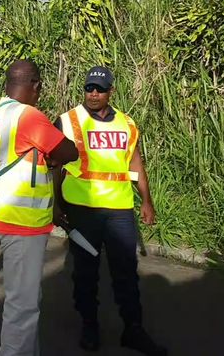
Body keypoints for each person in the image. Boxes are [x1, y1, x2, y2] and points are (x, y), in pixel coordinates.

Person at [54, 66, 166, 355]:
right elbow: (53, 166)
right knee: (85, 272)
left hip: (119, 208)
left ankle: (134, 329)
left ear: (110, 92)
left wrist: (146, 200)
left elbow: (135, 164)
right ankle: (89, 326)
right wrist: (55, 204)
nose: (93, 93)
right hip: (82, 208)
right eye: (89, 88)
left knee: (126, 271)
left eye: (100, 89)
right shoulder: (68, 120)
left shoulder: (127, 124)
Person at [0, 59, 78, 356]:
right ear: (35, 84)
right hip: (21, 222)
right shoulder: (29, 116)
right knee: (22, 310)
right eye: (39, 87)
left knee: (24, 301)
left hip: (4, 214)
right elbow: (68, 151)